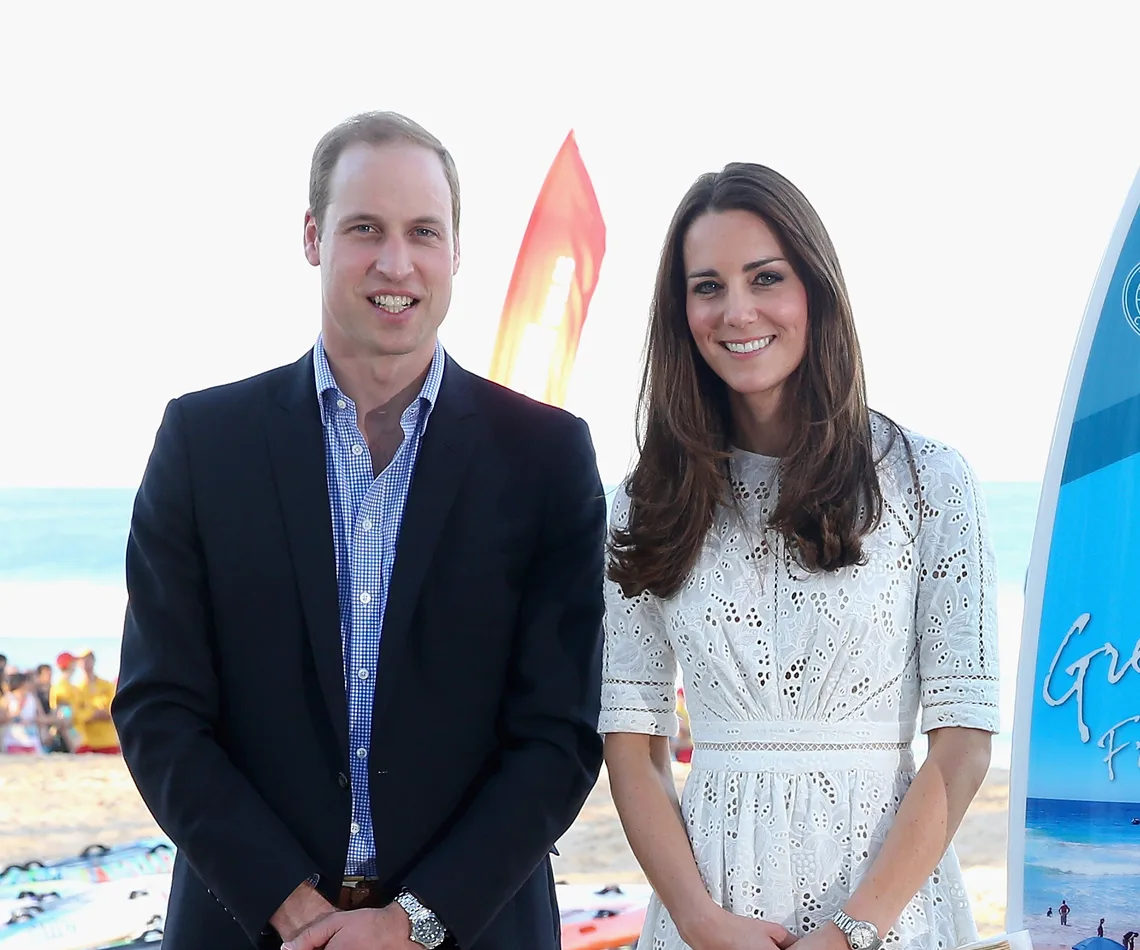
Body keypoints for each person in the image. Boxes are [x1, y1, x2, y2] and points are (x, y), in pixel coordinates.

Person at [112, 111, 606, 950]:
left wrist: (413, 924)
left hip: (474, 929)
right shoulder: (204, 442)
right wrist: (292, 908)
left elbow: (557, 735)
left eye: (423, 231)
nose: (396, 262)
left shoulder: (547, 458)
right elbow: (159, 709)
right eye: (364, 229)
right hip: (248, 926)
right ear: (312, 237)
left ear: (456, 250)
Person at [599, 163, 999, 950]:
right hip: (709, 919)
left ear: (815, 288)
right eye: (706, 286)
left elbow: (962, 743)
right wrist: (699, 920)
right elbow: (634, 747)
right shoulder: (648, 500)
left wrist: (854, 931)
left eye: (766, 277)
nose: (736, 310)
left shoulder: (929, 482)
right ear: (680, 312)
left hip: (889, 916)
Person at [71, 649, 119, 753]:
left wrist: (103, 713)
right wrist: (92, 715)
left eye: (88, 659)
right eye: (82, 660)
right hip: (87, 742)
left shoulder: (107, 685)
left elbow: (115, 707)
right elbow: (76, 714)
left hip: (108, 741)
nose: (85, 663)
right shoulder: (76, 689)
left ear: (94, 660)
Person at [2, 672, 53, 754]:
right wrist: (12, 716)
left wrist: (34, 721)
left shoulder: (33, 699)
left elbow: (42, 717)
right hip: (13, 741)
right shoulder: (8, 698)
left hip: (32, 741)